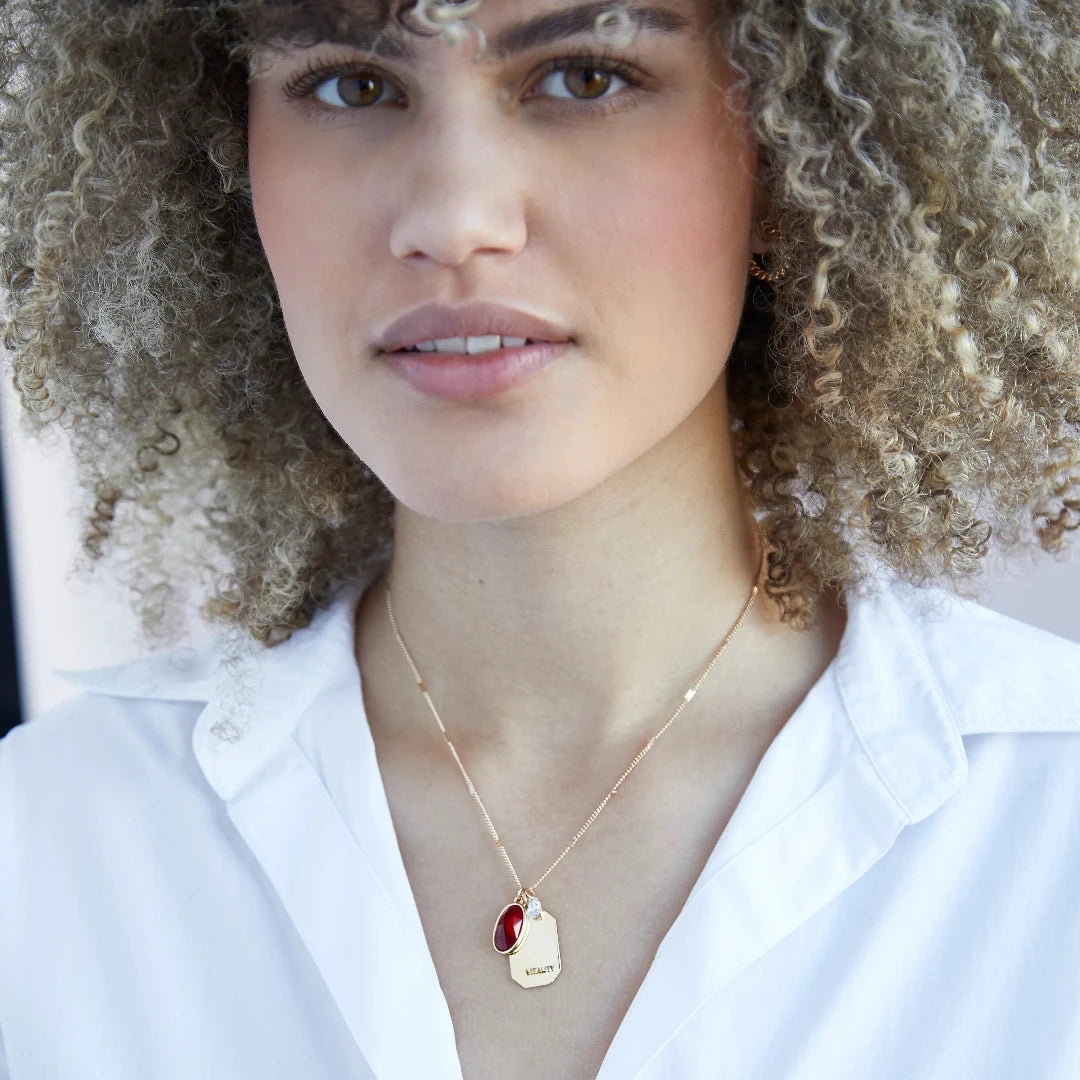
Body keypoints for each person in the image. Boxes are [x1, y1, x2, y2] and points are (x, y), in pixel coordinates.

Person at [0, 0, 1078, 1076]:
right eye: (351, 84)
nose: (454, 220)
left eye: (584, 78)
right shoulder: (43, 848)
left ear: (793, 156)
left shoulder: (1049, 824)